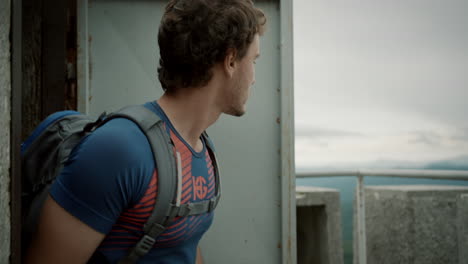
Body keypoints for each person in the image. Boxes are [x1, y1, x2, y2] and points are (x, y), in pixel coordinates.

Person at [25, 0, 266, 263]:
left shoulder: (201, 149)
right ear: (231, 61)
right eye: (253, 60)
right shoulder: (120, 151)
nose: (253, 77)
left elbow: (181, 247)